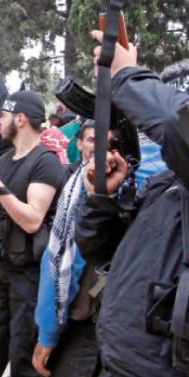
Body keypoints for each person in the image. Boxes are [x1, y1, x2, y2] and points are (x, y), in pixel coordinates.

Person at [76, 30, 189, 377]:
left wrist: (124, 75)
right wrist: (102, 198)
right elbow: (98, 250)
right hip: (118, 360)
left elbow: (175, 123)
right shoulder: (163, 187)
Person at [0, 90, 64, 377]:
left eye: (4, 116)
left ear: (20, 119)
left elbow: (33, 219)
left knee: (22, 355)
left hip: (29, 276)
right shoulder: (5, 160)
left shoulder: (46, 161)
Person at [33, 120, 99, 377]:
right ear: (79, 144)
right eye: (93, 139)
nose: (100, 146)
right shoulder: (72, 181)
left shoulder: (85, 185)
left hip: (92, 318)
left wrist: (49, 331)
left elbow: (65, 260)